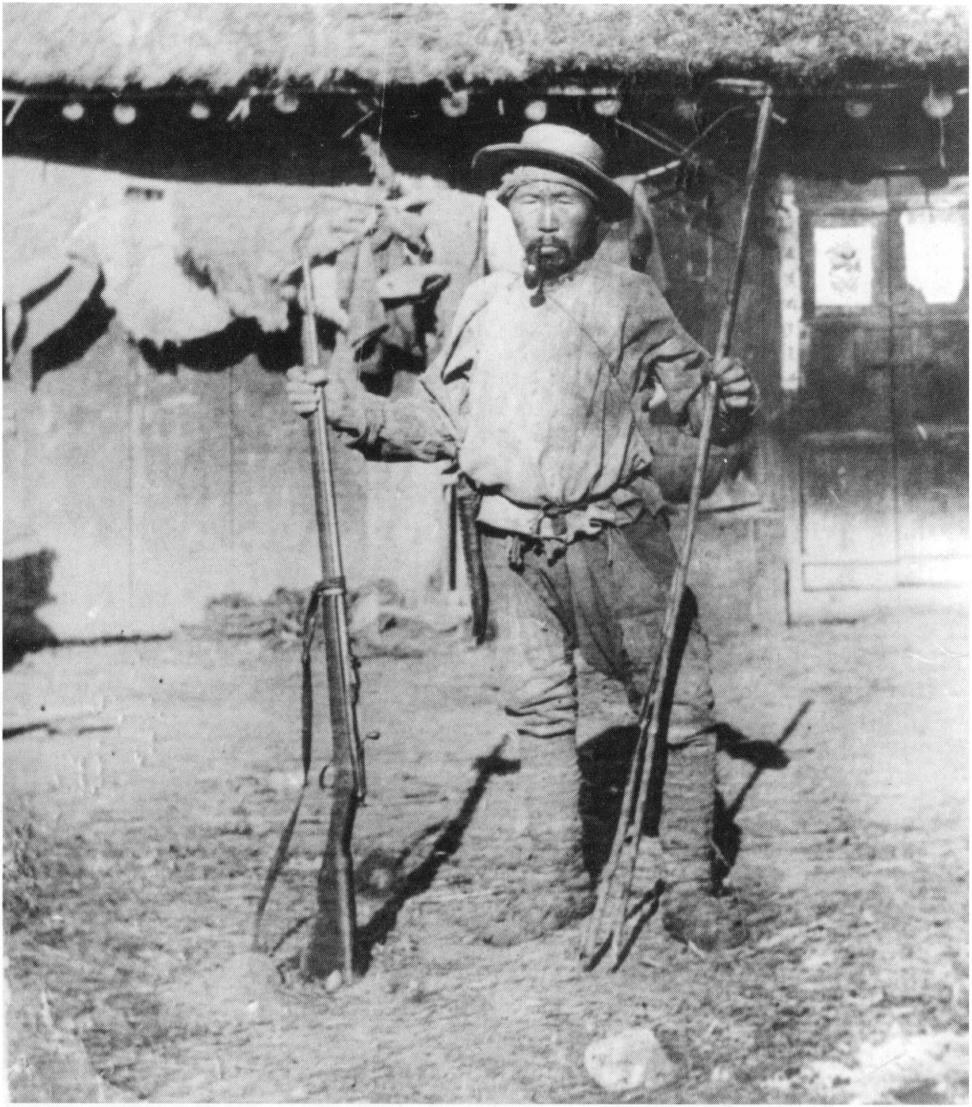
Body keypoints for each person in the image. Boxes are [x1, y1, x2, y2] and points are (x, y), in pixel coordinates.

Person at [287, 124, 757, 951]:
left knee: (678, 707)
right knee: (539, 711)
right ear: (507, 211)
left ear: (596, 216)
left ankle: (689, 886)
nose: (543, 217)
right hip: (514, 548)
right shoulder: (484, 304)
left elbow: (700, 404)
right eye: (528, 200)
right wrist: (348, 406)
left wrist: (731, 397)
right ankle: (560, 881)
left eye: (562, 200)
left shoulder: (630, 297)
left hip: (620, 539)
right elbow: (441, 422)